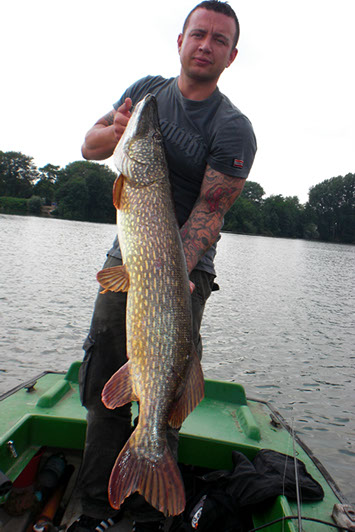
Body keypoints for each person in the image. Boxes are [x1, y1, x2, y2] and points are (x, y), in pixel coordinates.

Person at [69, 2, 257, 531]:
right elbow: (91, 146)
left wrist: (165, 277)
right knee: (105, 374)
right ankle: (92, 507)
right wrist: (121, 130)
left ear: (231, 55)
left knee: (167, 384)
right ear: (180, 40)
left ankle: (152, 513)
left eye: (219, 40)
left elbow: (209, 214)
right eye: (199, 34)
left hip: (186, 266)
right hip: (128, 255)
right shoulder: (147, 91)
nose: (206, 45)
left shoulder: (233, 128)